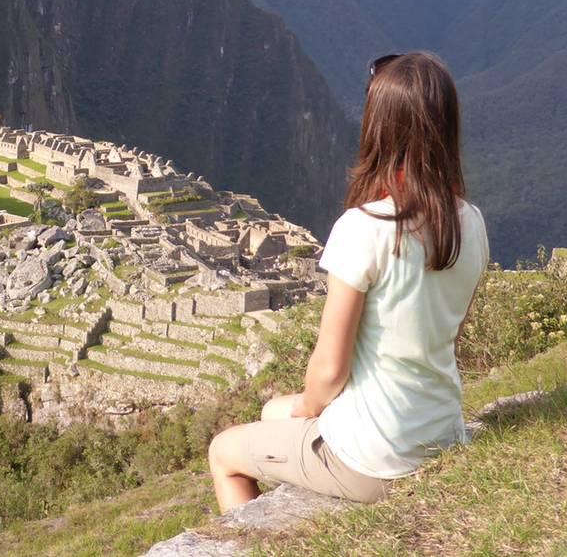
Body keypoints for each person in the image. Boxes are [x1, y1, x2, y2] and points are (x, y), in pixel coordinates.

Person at [207, 52, 489, 510]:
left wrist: (307, 405)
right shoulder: (470, 223)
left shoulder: (364, 228)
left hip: (375, 456)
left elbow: (330, 371)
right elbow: (448, 334)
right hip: (440, 431)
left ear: (379, 126)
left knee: (224, 452)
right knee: (271, 414)